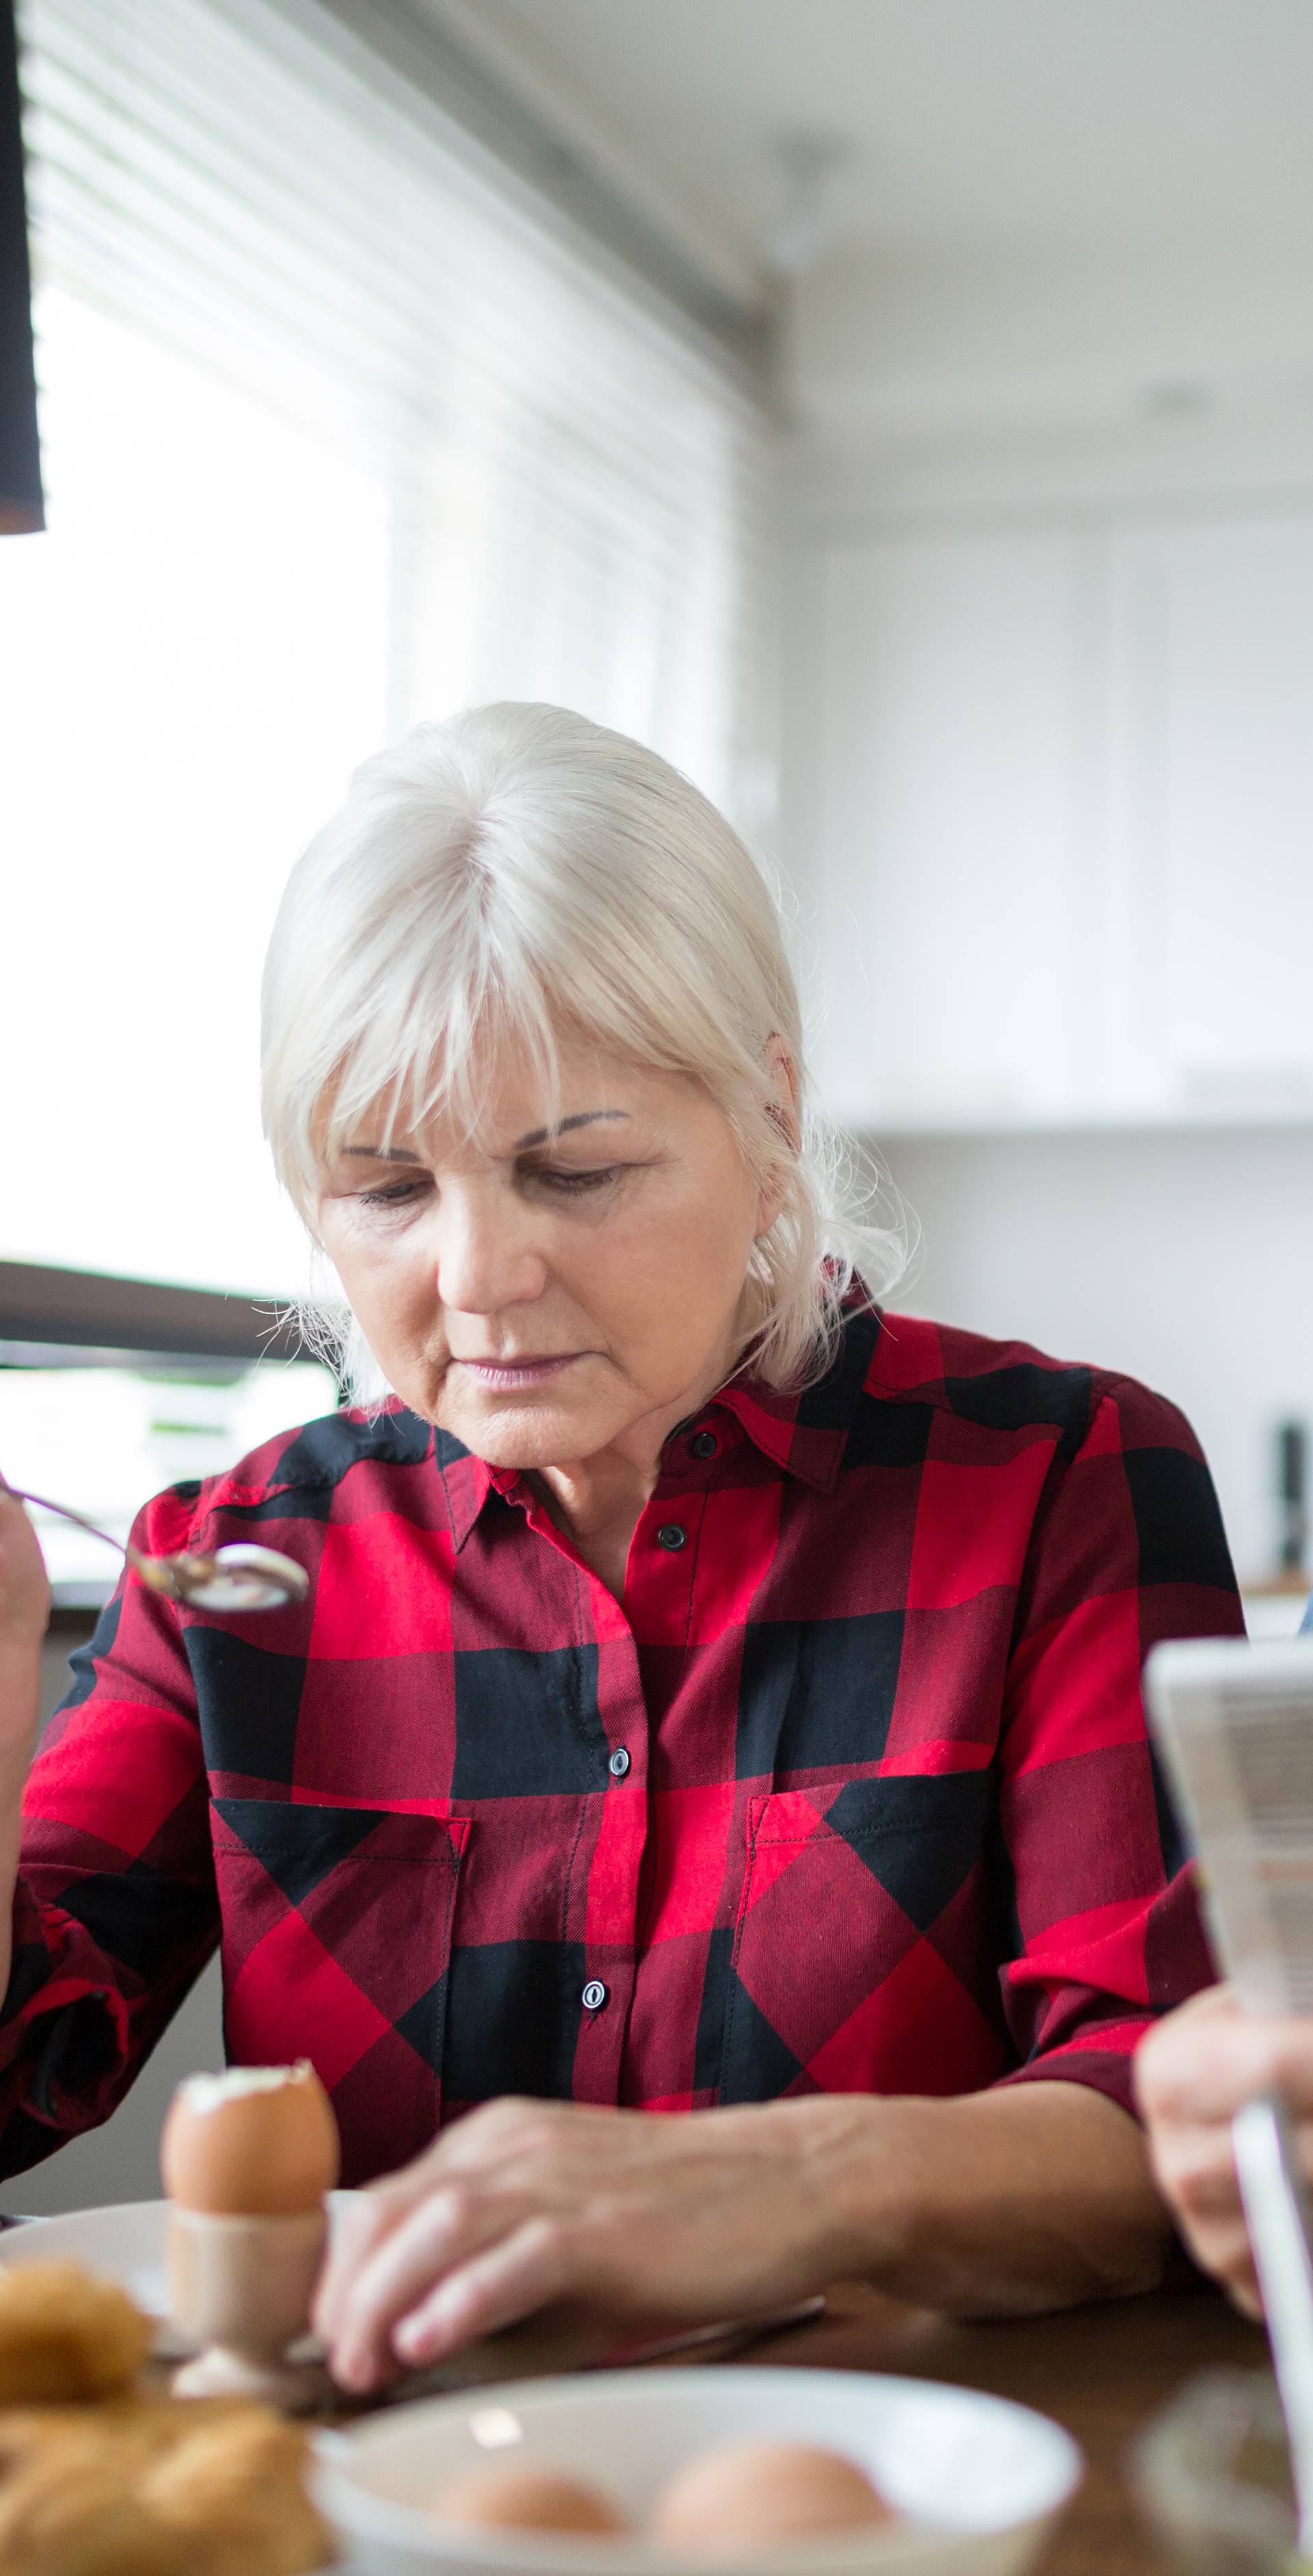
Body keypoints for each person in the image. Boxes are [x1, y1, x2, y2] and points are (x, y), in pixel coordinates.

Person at [0, 704, 1245, 2394]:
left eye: (572, 1171)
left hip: (894, 2498)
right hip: (390, 2515)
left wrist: (785, 2185)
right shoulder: (232, 1567)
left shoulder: (1063, 1482)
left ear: (770, 1122)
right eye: (385, 1192)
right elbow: (24, 2079)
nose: (476, 1276)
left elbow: (1179, 2126)